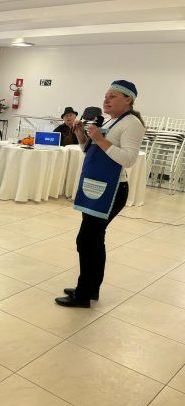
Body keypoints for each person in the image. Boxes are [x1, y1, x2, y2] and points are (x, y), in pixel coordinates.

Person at [55, 80, 145, 308]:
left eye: (112, 96)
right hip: (97, 186)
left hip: (113, 190)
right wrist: (82, 136)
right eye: (105, 96)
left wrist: (101, 139)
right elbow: (92, 152)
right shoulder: (111, 121)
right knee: (92, 240)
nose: (106, 100)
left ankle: (84, 294)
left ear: (128, 100)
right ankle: (90, 288)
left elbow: (129, 159)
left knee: (87, 240)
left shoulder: (132, 123)